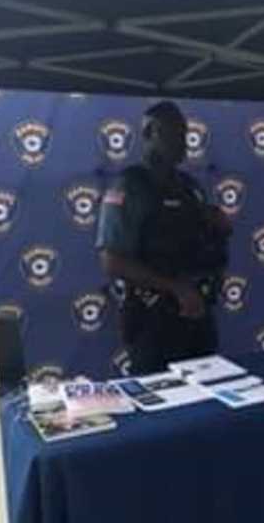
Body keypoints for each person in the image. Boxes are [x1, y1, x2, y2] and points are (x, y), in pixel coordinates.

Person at [96, 101, 231, 375]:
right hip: (154, 320)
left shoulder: (189, 187)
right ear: (149, 133)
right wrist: (175, 288)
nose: (183, 142)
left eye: (185, 134)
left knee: (207, 401)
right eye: (174, 134)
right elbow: (112, 261)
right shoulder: (130, 187)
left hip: (198, 314)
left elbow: (202, 237)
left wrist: (218, 223)